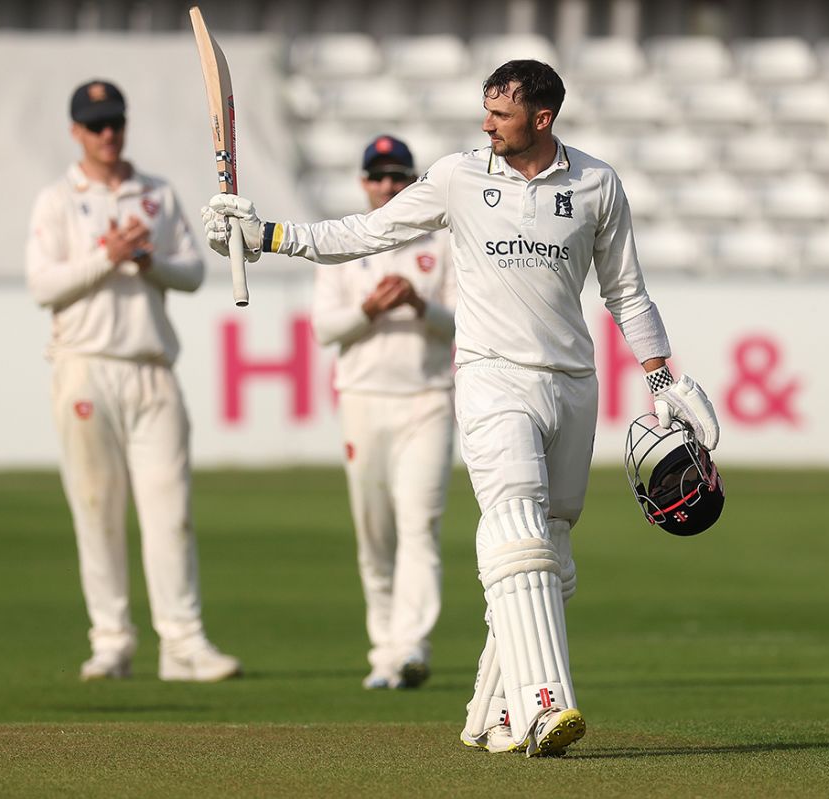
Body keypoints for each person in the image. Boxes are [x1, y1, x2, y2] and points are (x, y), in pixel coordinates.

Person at [203, 60, 719, 756]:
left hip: (571, 382)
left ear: (542, 118)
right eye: (484, 110)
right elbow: (367, 232)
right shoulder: (458, 176)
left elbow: (626, 292)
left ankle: (492, 712)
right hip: (489, 376)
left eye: (500, 115)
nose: (485, 124)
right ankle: (545, 705)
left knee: (552, 552)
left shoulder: (597, 183)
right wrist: (266, 236)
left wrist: (662, 380)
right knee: (515, 521)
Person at [26, 79, 240, 683]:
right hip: (85, 366)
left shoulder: (156, 193)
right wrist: (108, 255)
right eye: (95, 124)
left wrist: (147, 261)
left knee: (169, 511)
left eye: (115, 121)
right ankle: (113, 641)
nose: (108, 133)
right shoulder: (56, 200)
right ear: (76, 131)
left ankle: (183, 645)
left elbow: (194, 272)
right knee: (98, 509)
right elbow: (43, 285)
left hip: (151, 368)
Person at [311, 135, 456, 690]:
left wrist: (418, 304)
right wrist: (370, 308)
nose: (389, 187)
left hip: (427, 399)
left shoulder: (440, 243)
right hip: (363, 399)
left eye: (400, 177)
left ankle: (411, 646)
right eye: (379, 177)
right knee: (375, 533)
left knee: (419, 522)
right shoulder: (346, 240)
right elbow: (326, 328)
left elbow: (465, 323)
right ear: (363, 182)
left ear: (415, 183)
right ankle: (383, 650)